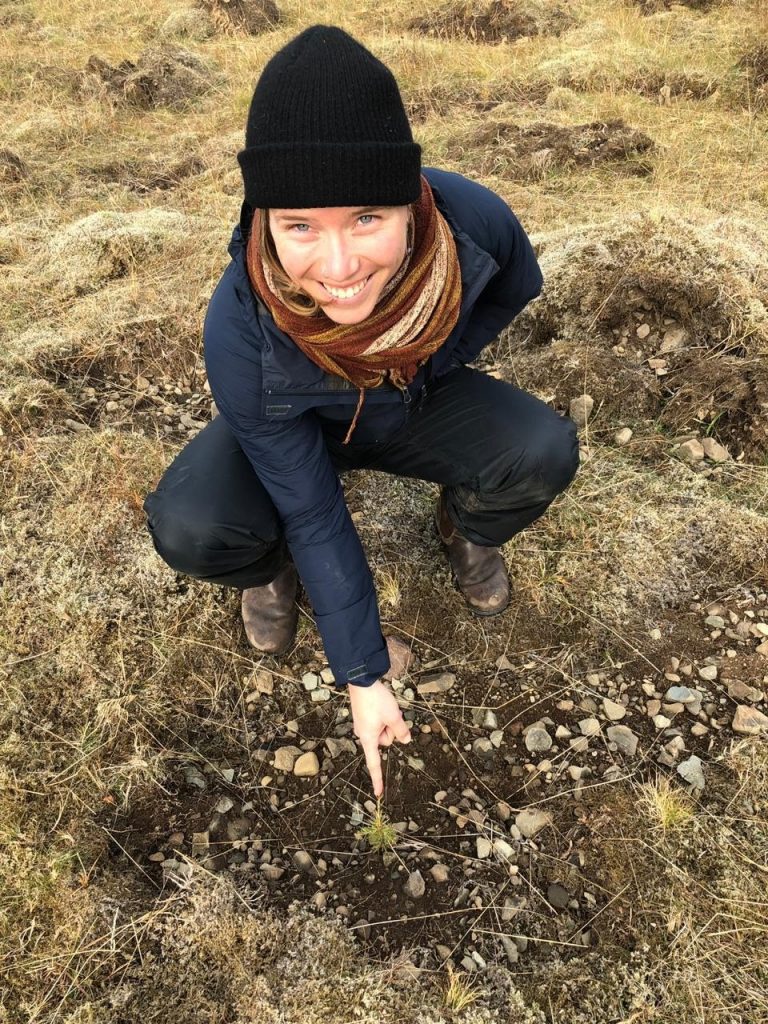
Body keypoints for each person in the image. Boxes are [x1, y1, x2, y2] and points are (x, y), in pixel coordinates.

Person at [142, 25, 580, 798]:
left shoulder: (473, 223)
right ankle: (266, 574)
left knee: (542, 449)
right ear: (263, 219)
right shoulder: (239, 328)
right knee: (192, 527)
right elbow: (316, 514)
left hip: (414, 398)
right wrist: (363, 673)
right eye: (299, 225)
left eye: (367, 218)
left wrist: (426, 360)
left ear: (411, 204)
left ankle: (467, 527)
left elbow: (517, 285)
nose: (339, 270)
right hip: (294, 421)